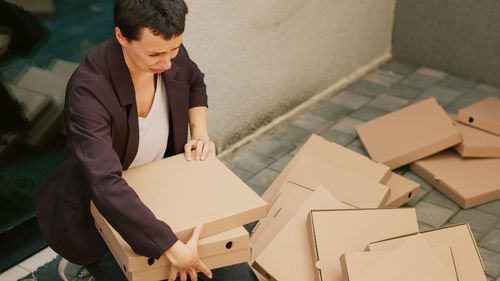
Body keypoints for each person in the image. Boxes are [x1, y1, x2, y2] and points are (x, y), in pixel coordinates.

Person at [31, 0, 253, 280]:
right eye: (155, 54)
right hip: (102, 211)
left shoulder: (167, 50)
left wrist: (200, 133)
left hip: (161, 192)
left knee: (236, 275)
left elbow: (196, 82)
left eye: (175, 49)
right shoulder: (88, 91)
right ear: (121, 36)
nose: (168, 62)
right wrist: (171, 247)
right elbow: (106, 184)